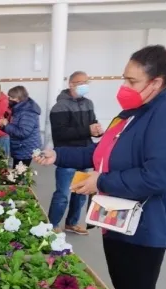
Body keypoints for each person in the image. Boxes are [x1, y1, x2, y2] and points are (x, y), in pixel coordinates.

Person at [34, 45, 166, 289]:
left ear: (156, 82)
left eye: (131, 81)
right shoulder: (132, 113)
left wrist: (101, 182)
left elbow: (159, 177)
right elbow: (101, 153)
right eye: (124, 78)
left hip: (147, 225)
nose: (124, 86)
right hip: (117, 218)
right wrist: (58, 155)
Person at [47, 71, 103, 235]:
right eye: (80, 83)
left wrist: (97, 130)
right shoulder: (60, 107)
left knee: (81, 193)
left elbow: (92, 123)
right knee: (63, 194)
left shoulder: (88, 103)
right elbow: (60, 134)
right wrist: (87, 130)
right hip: (67, 156)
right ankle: (52, 224)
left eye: (86, 82)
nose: (84, 86)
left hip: (85, 155)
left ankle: (72, 223)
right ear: (71, 84)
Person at [0, 85, 41, 167]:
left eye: (11, 97)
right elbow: (14, 126)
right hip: (20, 147)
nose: (9, 99)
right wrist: (3, 125)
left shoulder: (28, 112)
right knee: (17, 171)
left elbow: (23, 132)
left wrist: (6, 124)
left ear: (19, 99)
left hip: (25, 148)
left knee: (19, 172)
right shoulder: (18, 109)